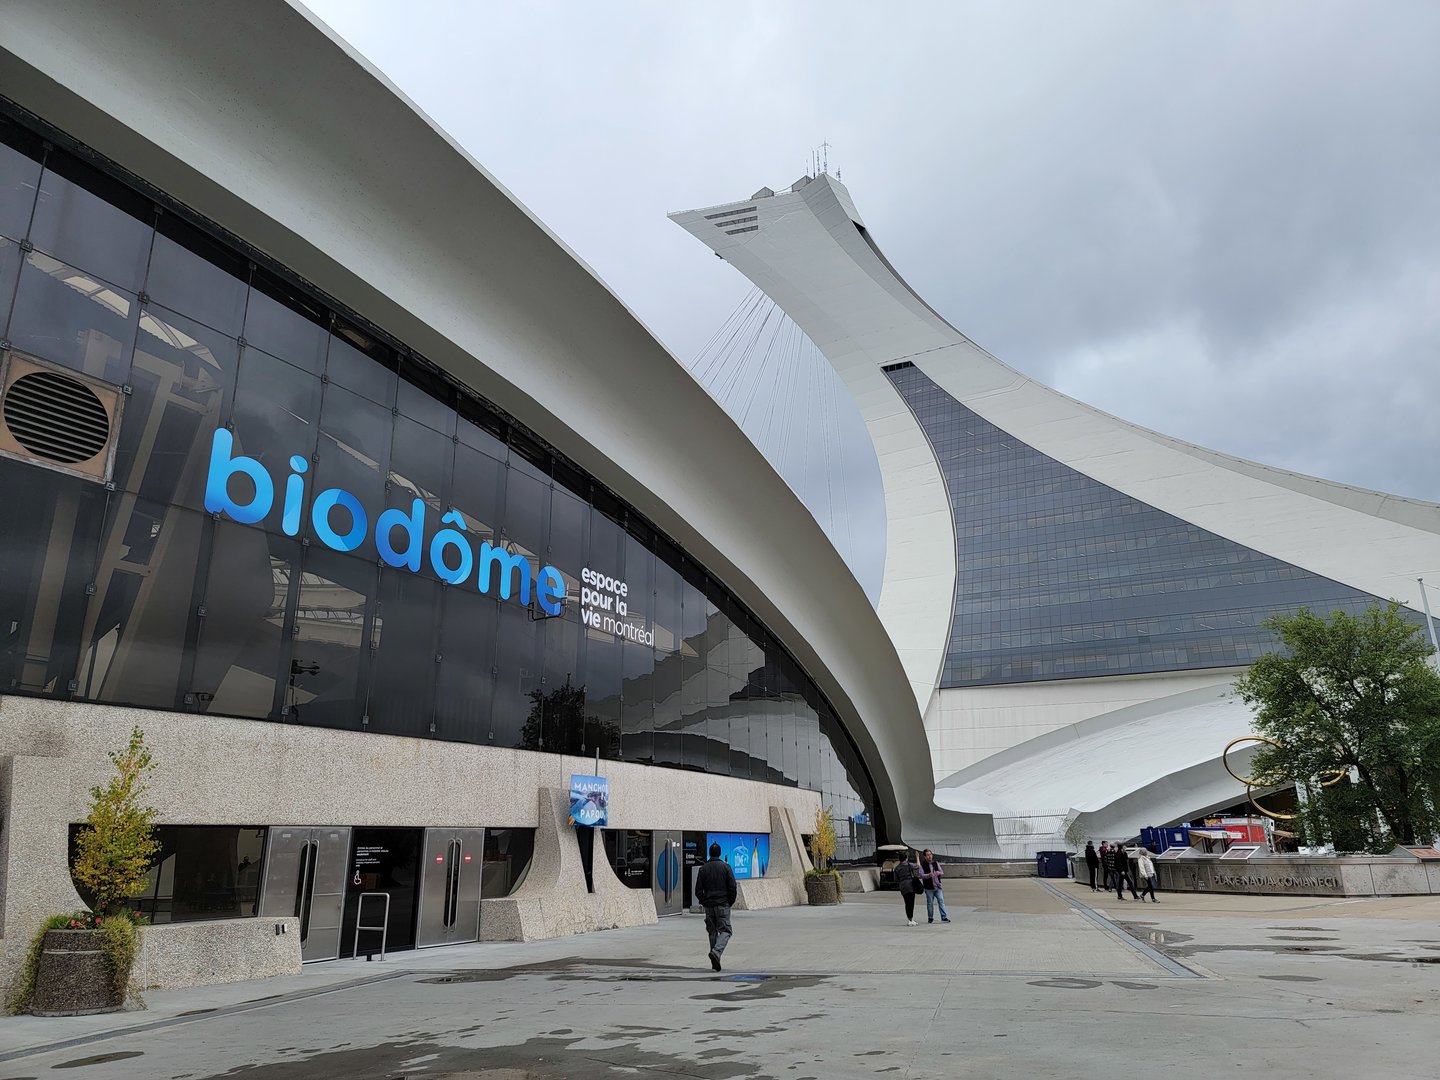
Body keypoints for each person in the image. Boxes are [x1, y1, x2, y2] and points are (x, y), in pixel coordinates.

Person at [695, 842, 738, 970]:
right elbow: (732, 887)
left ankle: (715, 959)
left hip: (709, 906)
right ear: (719, 853)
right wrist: (729, 902)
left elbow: (698, 890)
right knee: (726, 930)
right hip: (722, 904)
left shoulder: (703, 869)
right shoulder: (726, 867)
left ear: (710, 853)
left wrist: (704, 901)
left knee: (712, 932)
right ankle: (716, 952)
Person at [917, 848, 950, 923]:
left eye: (930, 854)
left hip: (937, 886)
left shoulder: (936, 863)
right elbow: (921, 875)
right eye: (928, 855)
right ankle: (930, 918)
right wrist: (928, 875)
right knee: (930, 903)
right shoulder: (922, 865)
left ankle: (944, 917)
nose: (930, 856)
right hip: (929, 887)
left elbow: (942, 872)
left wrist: (938, 873)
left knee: (941, 901)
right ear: (925, 856)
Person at [893, 850, 919, 925]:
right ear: (906, 858)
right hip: (910, 885)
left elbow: (896, 879)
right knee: (911, 903)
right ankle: (911, 919)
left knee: (907, 902)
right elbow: (918, 866)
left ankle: (909, 918)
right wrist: (917, 857)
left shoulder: (897, 868)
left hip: (903, 887)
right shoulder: (909, 865)